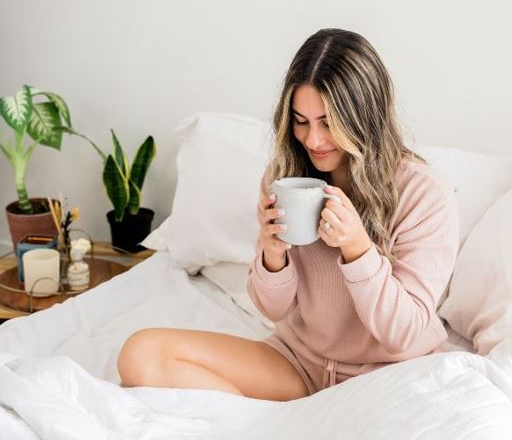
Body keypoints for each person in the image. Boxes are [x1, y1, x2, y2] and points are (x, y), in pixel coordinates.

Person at [116, 28, 460, 401]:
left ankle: (280, 419)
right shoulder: (285, 179)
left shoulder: (423, 193)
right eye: (301, 121)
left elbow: (403, 333)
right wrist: (272, 256)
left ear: (365, 117)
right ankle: (268, 422)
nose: (313, 140)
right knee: (141, 353)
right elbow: (274, 309)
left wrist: (358, 249)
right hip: (300, 363)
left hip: (389, 377)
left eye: (328, 122)